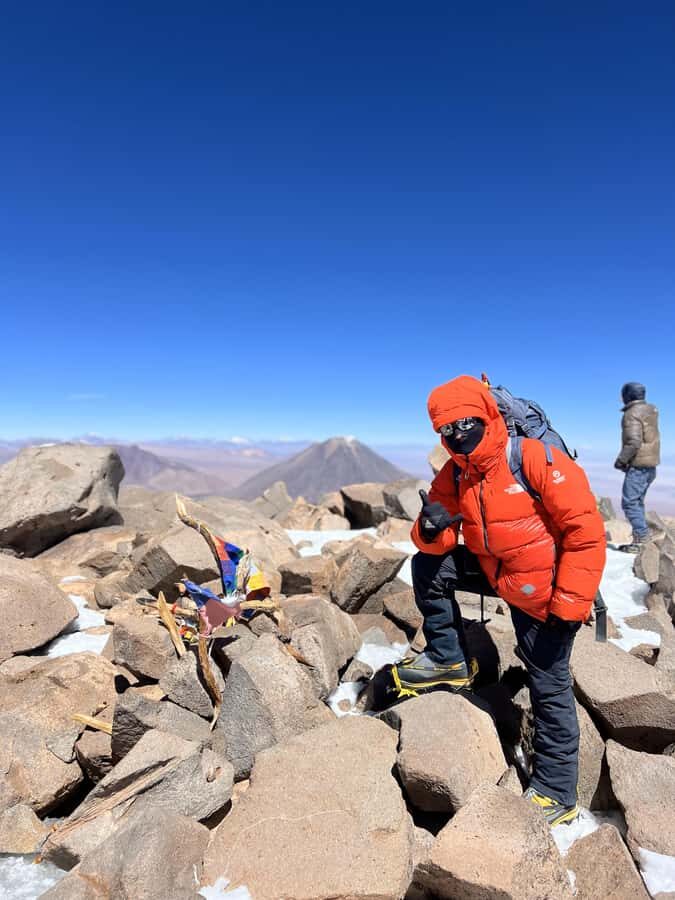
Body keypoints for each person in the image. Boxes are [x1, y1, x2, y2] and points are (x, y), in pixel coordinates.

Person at [393, 375, 606, 825]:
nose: (456, 436)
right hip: (500, 574)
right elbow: (439, 537)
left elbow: (586, 535)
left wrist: (568, 607)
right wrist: (429, 530)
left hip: (544, 591)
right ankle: (448, 658)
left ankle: (556, 791)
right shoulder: (456, 472)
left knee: (548, 680)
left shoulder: (533, 459)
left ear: (488, 415)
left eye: (464, 424)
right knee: (427, 566)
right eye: (445, 430)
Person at [614, 382, 660, 552]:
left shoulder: (632, 414)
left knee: (630, 503)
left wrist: (621, 460)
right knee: (637, 502)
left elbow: (633, 441)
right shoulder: (650, 410)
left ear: (628, 395)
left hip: (638, 465)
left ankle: (642, 541)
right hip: (650, 465)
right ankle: (641, 539)